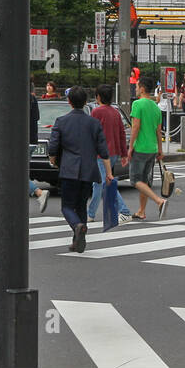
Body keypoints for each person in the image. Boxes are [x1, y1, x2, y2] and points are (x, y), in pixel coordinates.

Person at [47, 87, 111, 253]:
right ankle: (77, 240)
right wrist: (109, 171)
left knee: (67, 206)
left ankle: (77, 226)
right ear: (85, 102)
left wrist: (53, 158)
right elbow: (103, 150)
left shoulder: (61, 121)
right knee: (81, 205)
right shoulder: (94, 123)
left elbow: (53, 145)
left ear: (69, 102)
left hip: (69, 169)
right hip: (88, 170)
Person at [88, 84, 132, 222]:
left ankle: (124, 211)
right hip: (114, 153)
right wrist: (124, 154)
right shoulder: (115, 112)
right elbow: (121, 134)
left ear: (98, 97)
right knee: (100, 183)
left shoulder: (96, 112)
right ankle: (90, 214)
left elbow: (92, 134)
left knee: (104, 183)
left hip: (101, 154)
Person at [127, 77, 168, 220]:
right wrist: (160, 149)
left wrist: (130, 147)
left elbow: (135, 127)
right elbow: (158, 131)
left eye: (137, 86)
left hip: (141, 147)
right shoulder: (155, 107)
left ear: (142, 89)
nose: (135, 89)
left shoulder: (137, 104)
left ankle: (159, 201)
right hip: (152, 148)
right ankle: (141, 211)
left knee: (135, 180)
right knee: (144, 180)